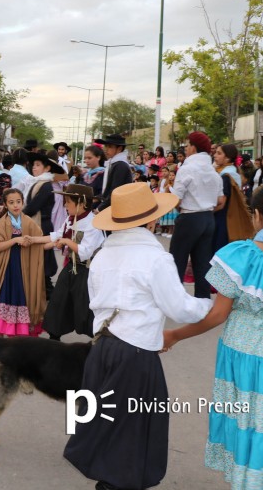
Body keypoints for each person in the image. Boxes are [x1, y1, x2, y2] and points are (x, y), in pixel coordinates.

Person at [162, 182, 263, 490]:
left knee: (243, 418)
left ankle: (247, 482)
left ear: (258, 216)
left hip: (239, 352)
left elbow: (217, 315)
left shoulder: (241, 254)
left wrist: (175, 335)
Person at [64, 183, 213, 490]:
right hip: (134, 354)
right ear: (151, 220)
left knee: (101, 421)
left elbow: (96, 301)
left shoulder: (104, 255)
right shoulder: (155, 258)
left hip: (102, 347)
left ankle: (107, 480)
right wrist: (212, 305)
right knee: (133, 428)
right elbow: (180, 308)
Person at [0, 188, 47, 336]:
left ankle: (18, 332)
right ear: (5, 205)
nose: (15, 205)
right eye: (11, 202)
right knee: (3, 295)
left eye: (18, 202)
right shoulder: (1, 223)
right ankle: (0, 333)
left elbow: (39, 239)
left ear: (23, 202)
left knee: (21, 295)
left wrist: (53, 240)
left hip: (23, 266)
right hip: (5, 267)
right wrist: (15, 240)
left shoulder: (29, 222)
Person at [42, 184, 105, 340]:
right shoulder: (71, 219)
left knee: (85, 309)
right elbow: (56, 235)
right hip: (72, 267)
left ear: (82, 204)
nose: (65, 205)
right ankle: (54, 337)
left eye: (68, 202)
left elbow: (85, 251)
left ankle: (98, 343)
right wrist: (32, 241)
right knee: (58, 301)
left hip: (88, 271)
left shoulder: (94, 224)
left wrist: (65, 241)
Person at [169, 131, 223, 298]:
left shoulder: (187, 169)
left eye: (187, 145)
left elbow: (175, 198)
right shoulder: (214, 171)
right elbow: (220, 200)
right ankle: (203, 299)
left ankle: (175, 299)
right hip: (208, 218)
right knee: (202, 261)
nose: (185, 149)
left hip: (190, 217)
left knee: (177, 259)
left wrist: (182, 208)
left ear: (193, 147)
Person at [23, 151, 64, 298]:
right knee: (40, 257)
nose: (34, 167)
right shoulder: (36, 183)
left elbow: (33, 207)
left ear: (46, 169)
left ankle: (47, 290)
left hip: (42, 225)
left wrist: (19, 216)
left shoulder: (46, 185)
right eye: (33, 165)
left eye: (38, 165)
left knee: (43, 257)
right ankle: (44, 288)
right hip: (38, 224)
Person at [94, 134, 133, 211]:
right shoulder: (114, 164)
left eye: (110, 146)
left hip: (118, 208)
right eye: (106, 146)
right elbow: (107, 191)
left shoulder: (121, 166)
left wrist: (99, 209)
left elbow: (115, 192)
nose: (106, 149)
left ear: (119, 148)